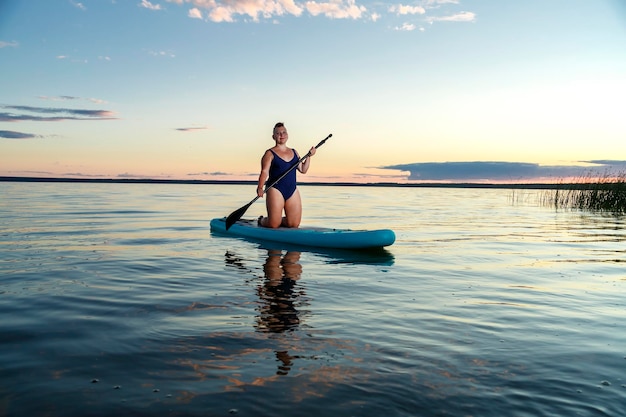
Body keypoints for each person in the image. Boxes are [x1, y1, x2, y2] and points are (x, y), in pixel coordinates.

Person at [256, 122, 316, 228]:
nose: (281, 135)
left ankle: (279, 220)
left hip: (292, 190)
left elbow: (303, 169)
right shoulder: (269, 153)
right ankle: (262, 220)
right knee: (273, 224)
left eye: (284, 132)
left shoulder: (294, 152)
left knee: (293, 224)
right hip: (275, 189)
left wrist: (309, 156)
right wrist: (260, 187)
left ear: (287, 134)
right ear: (273, 136)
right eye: (278, 133)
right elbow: (264, 172)